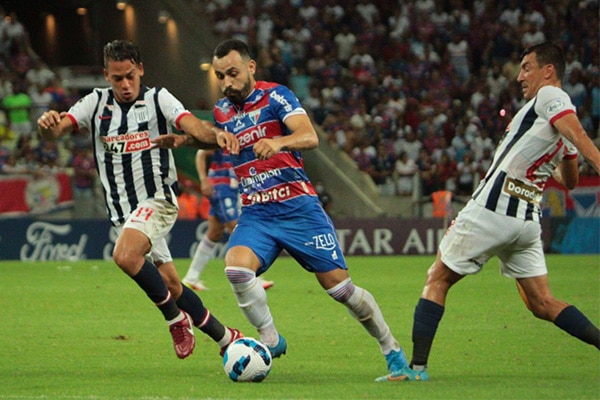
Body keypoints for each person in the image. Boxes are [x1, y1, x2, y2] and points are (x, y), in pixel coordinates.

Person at [154, 39, 408, 377]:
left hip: (298, 209)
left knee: (341, 290)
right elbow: (220, 140)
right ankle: (271, 340)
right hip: (257, 213)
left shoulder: (277, 96)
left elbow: (309, 136)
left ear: (251, 67)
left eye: (233, 73)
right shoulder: (223, 110)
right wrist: (185, 140)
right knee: (236, 269)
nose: (227, 82)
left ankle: (392, 351)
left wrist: (279, 142)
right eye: (220, 76)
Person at [376, 42, 600, 383]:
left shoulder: (550, 96)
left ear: (548, 71)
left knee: (437, 278)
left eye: (527, 68)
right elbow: (569, 180)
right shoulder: (552, 124)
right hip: (526, 220)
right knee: (541, 303)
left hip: (493, 209)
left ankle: (416, 370)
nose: (520, 76)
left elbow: (580, 135)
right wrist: (547, 161)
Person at [37, 39, 243, 360]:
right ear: (106, 75)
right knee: (171, 285)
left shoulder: (159, 99)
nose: (125, 84)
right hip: (124, 213)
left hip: (158, 200)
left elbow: (193, 125)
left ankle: (175, 320)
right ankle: (226, 337)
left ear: (141, 70)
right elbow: (57, 131)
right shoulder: (95, 102)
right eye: (117, 78)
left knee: (124, 256)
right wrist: (47, 126)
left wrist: (217, 135)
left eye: (130, 76)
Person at [182, 148, 274, 291]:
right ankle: (252, 276)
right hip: (221, 189)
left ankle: (191, 278)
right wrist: (203, 179)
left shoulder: (240, 142)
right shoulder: (222, 139)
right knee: (237, 228)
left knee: (214, 233)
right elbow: (201, 152)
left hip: (229, 189)